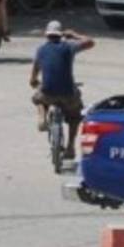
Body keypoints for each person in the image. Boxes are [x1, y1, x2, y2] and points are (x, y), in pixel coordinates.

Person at [30, 21, 95, 158]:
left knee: (37, 98)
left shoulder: (41, 50)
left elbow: (33, 76)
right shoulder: (69, 46)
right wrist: (74, 34)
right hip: (68, 93)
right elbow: (90, 42)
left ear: (46, 35)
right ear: (61, 35)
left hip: (48, 92)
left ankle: (42, 115)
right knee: (75, 116)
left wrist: (35, 82)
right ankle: (70, 147)